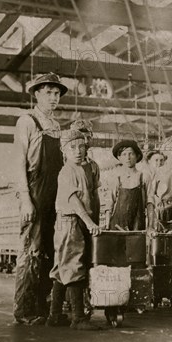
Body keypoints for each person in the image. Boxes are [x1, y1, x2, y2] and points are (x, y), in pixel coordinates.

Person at [13, 73, 66, 325]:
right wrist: (25, 199)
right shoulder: (27, 121)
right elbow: (19, 162)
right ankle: (25, 311)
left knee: (50, 252)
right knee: (30, 252)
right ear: (36, 94)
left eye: (57, 94)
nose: (54, 98)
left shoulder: (56, 127)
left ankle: (43, 308)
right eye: (48, 93)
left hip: (55, 196)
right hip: (35, 193)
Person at [48, 130, 102, 330]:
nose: (78, 151)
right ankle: (78, 318)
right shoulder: (67, 171)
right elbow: (74, 200)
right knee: (73, 265)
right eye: (72, 147)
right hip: (70, 221)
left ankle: (54, 316)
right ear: (63, 150)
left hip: (74, 222)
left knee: (62, 267)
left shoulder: (82, 169)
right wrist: (89, 222)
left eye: (81, 146)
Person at [105, 140, 147, 231]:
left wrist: (151, 226)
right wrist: (107, 225)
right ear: (119, 157)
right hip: (117, 225)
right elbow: (109, 203)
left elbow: (149, 203)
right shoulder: (116, 177)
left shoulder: (143, 177)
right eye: (124, 154)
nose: (128, 158)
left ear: (137, 156)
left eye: (131, 154)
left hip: (137, 224)